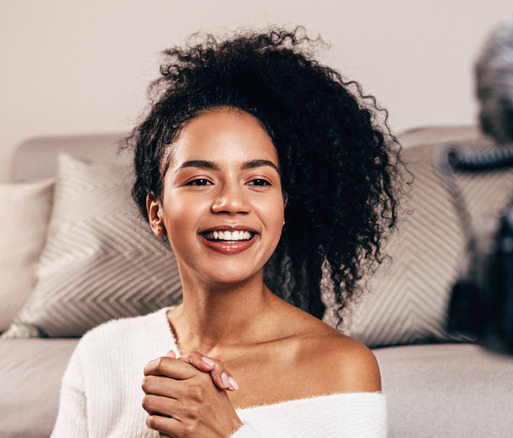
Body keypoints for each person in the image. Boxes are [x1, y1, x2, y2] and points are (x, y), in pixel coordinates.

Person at [51, 27, 402, 437]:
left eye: (258, 181)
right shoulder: (102, 352)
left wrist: (226, 432)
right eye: (200, 180)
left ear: (284, 208)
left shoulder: (342, 367)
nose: (231, 202)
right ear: (156, 211)